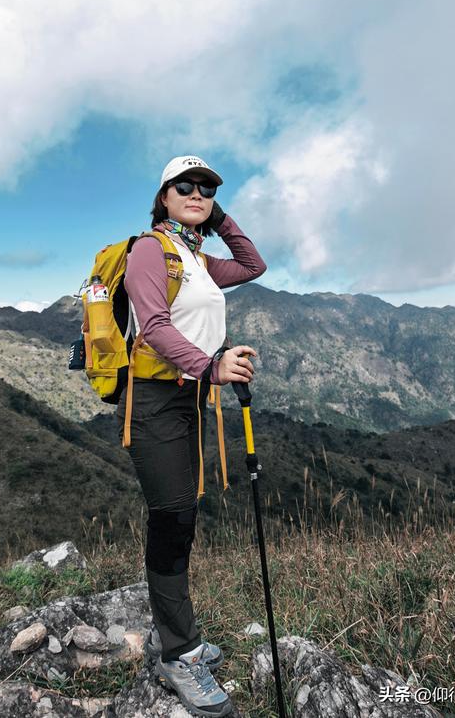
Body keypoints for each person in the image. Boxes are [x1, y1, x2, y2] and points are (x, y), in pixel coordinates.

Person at [116, 154, 266, 717]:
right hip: (153, 402)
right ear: (164, 196)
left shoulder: (197, 258)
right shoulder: (150, 250)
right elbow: (154, 327)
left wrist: (217, 219)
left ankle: (181, 639)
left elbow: (252, 265)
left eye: (207, 187)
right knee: (172, 518)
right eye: (185, 186)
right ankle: (178, 654)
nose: (197, 192)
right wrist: (210, 366)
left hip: (189, 399)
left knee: (184, 516)